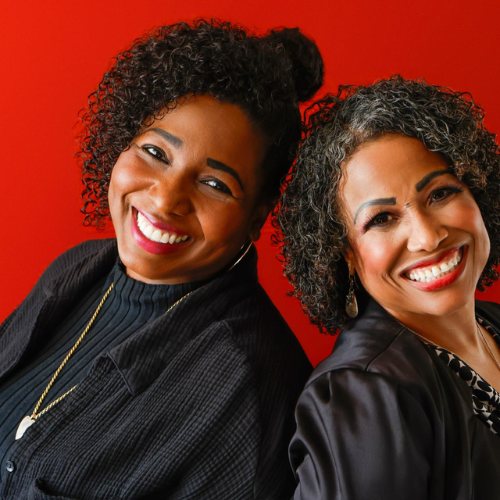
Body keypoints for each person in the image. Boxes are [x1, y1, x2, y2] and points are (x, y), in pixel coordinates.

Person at [0, 20, 323, 499]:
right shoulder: (75, 270)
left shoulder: (243, 390)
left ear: (256, 216)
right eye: (155, 152)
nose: (166, 198)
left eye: (214, 184)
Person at [277, 76, 500, 499]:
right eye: (381, 219)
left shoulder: (494, 323)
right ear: (344, 253)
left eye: (440, 193)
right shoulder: (364, 397)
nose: (428, 237)